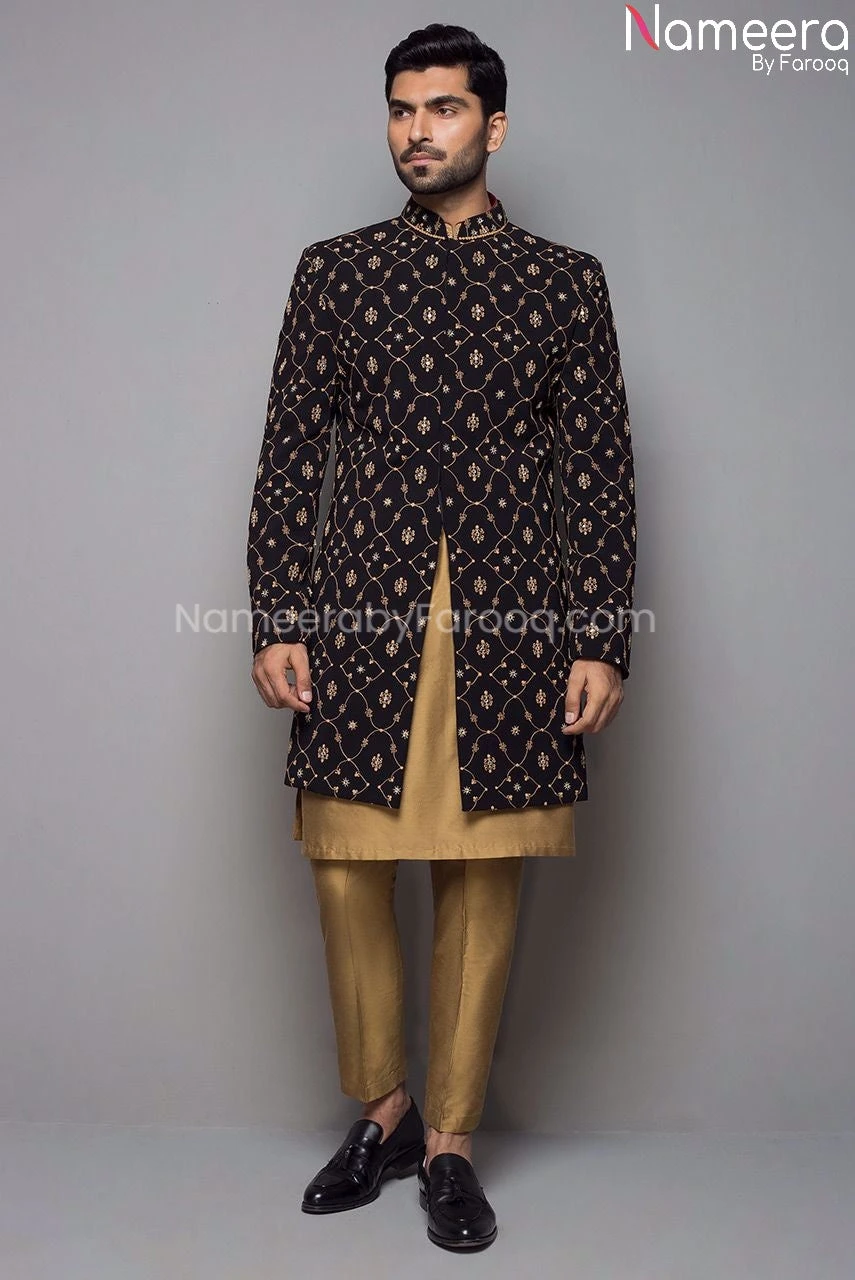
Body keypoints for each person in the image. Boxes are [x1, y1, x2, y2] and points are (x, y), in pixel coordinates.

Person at [247, 22, 636, 1252]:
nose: (418, 130)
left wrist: (601, 636)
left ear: (493, 126)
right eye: (402, 108)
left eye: (445, 108)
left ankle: (453, 1140)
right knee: (345, 865)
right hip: (360, 607)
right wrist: (279, 614)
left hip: (513, 615)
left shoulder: (565, 281)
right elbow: (290, 453)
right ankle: (386, 1108)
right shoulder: (336, 272)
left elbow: (599, 470)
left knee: (482, 875)